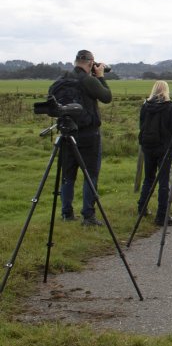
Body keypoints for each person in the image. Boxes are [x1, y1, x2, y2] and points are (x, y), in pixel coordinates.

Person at [60, 50, 112, 226]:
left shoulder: (63, 80)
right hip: (88, 135)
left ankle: (66, 213)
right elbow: (106, 97)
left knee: (68, 175)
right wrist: (101, 76)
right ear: (90, 64)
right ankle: (88, 216)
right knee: (90, 175)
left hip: (67, 133)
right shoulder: (88, 80)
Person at [137, 81, 172, 226]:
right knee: (163, 181)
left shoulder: (145, 106)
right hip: (164, 148)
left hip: (148, 146)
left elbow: (141, 125)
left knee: (148, 178)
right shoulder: (168, 107)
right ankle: (162, 215)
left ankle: (142, 207)